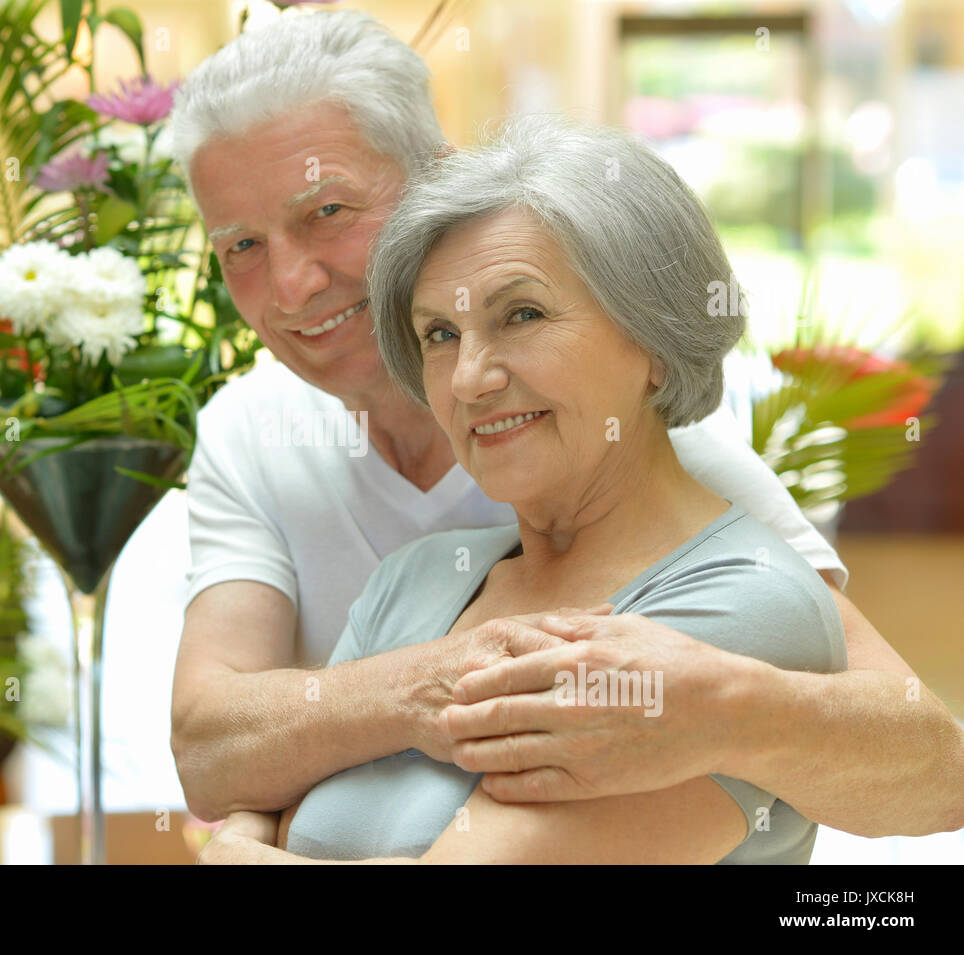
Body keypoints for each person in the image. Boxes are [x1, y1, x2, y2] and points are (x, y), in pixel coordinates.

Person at [166, 9, 964, 843]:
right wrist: (435, 684)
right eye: (241, 246)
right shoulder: (267, 445)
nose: (290, 286)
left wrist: (729, 708)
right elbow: (211, 748)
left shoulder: (662, 458)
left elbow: (931, 767)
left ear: (436, 178)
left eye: (326, 211)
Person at [201, 116, 843, 862]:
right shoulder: (413, 580)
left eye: (523, 314)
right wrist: (244, 834)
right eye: (440, 333)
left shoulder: (750, 606)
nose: (471, 378)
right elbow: (265, 795)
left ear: (657, 344)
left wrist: (230, 854)